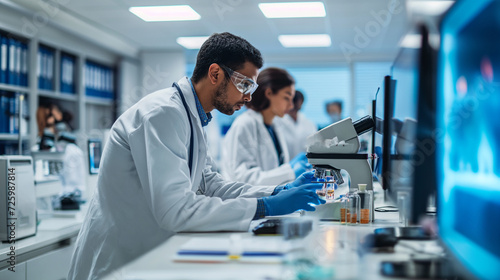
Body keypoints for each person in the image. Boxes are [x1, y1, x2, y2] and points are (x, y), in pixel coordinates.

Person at [67, 33, 324, 280]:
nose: (248, 97)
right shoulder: (162, 114)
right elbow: (175, 210)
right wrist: (265, 207)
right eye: (244, 84)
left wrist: (275, 192)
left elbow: (211, 185)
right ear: (215, 74)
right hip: (118, 264)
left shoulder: (193, 118)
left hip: (148, 258)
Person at [221, 67, 311, 186]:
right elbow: (242, 179)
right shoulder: (245, 124)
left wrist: (290, 171)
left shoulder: (274, 126)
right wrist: (290, 171)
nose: (290, 106)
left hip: (271, 199)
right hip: (248, 203)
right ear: (269, 93)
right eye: (286, 97)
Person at [277, 90, 318, 159]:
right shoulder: (278, 122)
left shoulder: (309, 124)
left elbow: (315, 146)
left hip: (306, 165)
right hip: (284, 166)